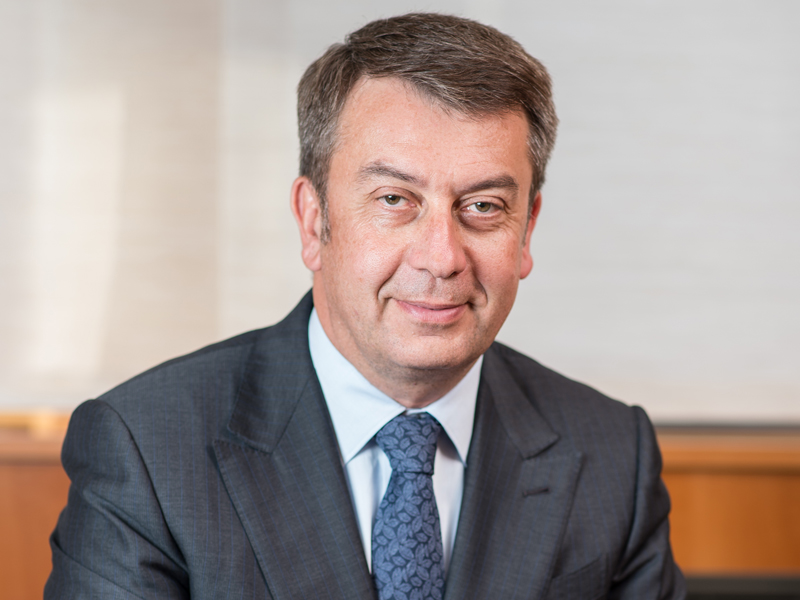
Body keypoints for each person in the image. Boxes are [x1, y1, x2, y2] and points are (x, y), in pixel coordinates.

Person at [46, 13, 685, 600]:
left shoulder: (612, 455)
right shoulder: (147, 451)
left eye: (483, 206)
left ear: (527, 230)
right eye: (394, 200)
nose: (442, 258)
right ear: (313, 219)